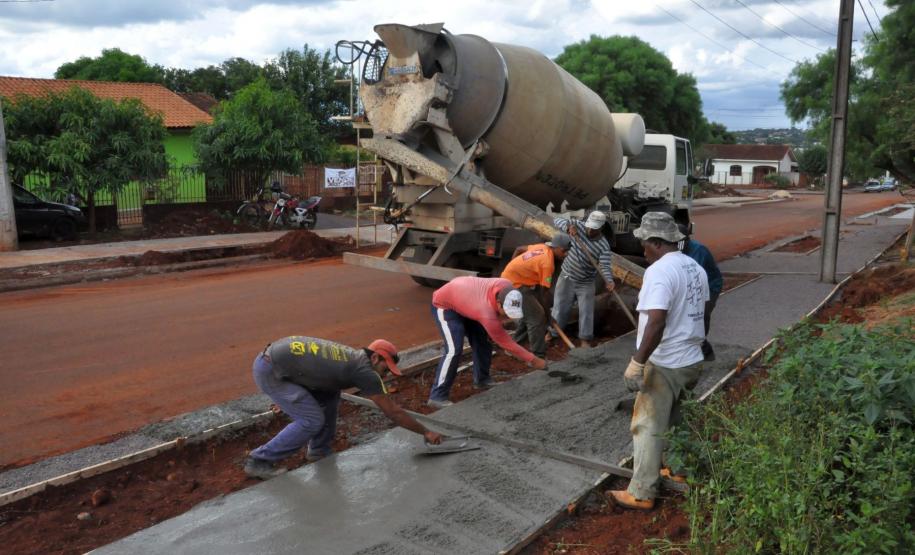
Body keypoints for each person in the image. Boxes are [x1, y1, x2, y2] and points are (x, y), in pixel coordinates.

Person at [608, 212, 710, 510]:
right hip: (691, 358)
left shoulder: (659, 272)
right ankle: (679, 470)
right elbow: (703, 312)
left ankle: (641, 492)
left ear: (657, 242)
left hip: (666, 361)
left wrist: (638, 362)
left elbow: (656, 322)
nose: (642, 249)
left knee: (647, 424)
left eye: (644, 243)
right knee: (677, 420)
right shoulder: (694, 268)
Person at [244, 336, 442, 479]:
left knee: (331, 395)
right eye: (385, 368)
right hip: (272, 370)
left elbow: (312, 369)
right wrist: (425, 432)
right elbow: (392, 412)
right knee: (311, 420)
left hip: (280, 363)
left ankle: (319, 450)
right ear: (375, 359)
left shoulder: (352, 359)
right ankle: (259, 461)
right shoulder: (364, 371)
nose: (386, 375)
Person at [428, 276, 548, 408]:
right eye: (506, 312)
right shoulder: (485, 312)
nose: (507, 316)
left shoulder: (508, 288)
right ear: (498, 303)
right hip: (445, 305)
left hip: (466, 300)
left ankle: (482, 380)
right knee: (454, 349)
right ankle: (437, 396)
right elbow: (506, 342)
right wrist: (534, 360)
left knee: (483, 342)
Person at [500, 232, 571, 359]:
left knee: (530, 314)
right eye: (564, 251)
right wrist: (548, 315)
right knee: (537, 317)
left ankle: (514, 348)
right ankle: (538, 356)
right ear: (557, 248)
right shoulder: (547, 264)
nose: (566, 255)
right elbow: (544, 294)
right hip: (514, 286)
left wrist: (511, 267)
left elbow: (519, 249)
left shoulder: (542, 247)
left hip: (515, 281)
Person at [551, 211, 615, 348]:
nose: (590, 230)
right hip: (567, 276)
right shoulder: (578, 225)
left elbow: (604, 267)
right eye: (589, 226)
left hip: (585, 282)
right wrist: (568, 227)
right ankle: (552, 334)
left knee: (586, 311)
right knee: (560, 308)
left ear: (601, 228)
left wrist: (609, 281)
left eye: (595, 228)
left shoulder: (604, 246)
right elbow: (556, 220)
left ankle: (585, 340)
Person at [678, 224, 722, 361]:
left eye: (680, 241)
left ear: (686, 239)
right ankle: (696, 346)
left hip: (710, 286)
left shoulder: (699, 251)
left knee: (701, 315)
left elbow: (696, 278)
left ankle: (704, 347)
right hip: (695, 286)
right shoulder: (677, 250)